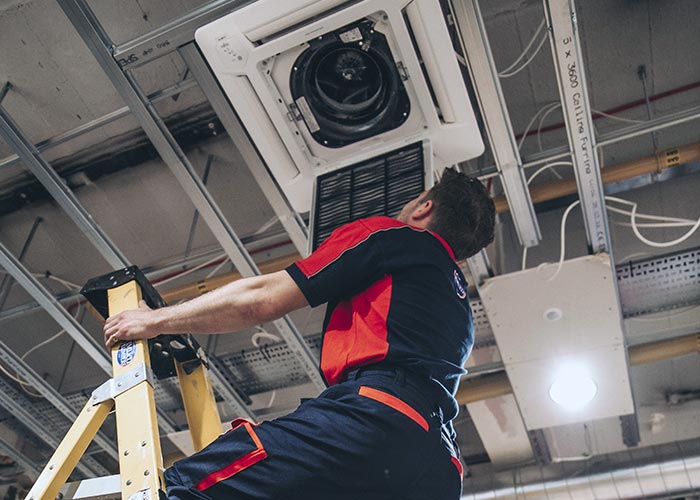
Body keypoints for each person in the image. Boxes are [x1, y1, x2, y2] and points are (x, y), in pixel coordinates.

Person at [104, 167, 496, 500]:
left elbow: (262, 300)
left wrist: (155, 321)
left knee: (186, 488)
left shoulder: (393, 236)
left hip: (376, 424)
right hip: (441, 469)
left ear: (424, 207)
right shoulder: (461, 311)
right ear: (460, 255)